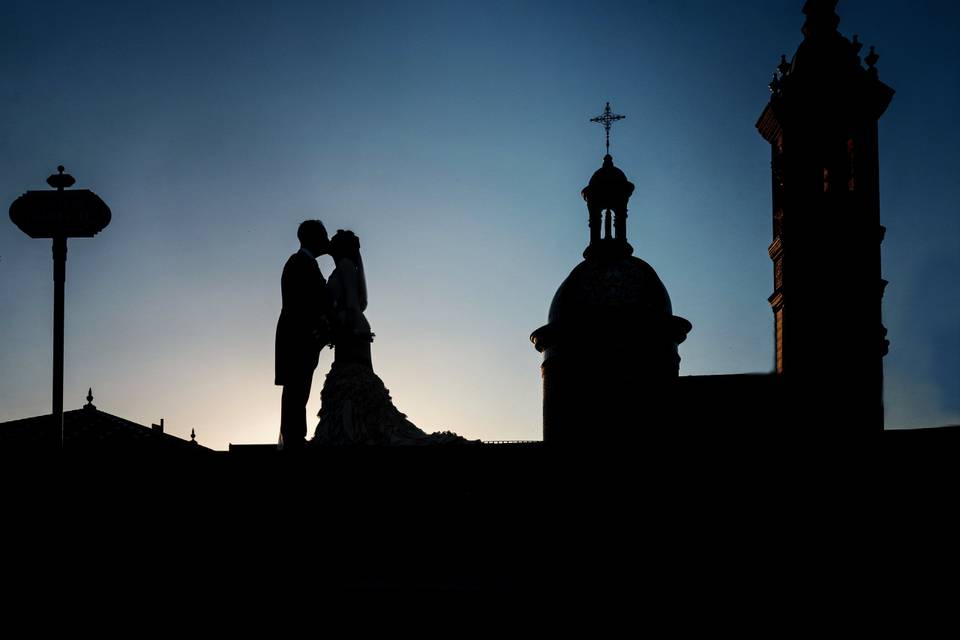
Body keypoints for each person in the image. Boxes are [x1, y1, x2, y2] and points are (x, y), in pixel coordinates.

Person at [312, 230, 472, 446]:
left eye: (333, 242)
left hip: (351, 327)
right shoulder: (349, 266)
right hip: (355, 325)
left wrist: (338, 324)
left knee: (349, 377)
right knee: (354, 375)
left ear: (339, 247)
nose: (329, 244)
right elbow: (358, 302)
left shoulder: (345, 266)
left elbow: (351, 303)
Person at [275, 220, 332, 450]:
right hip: (296, 338)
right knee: (295, 390)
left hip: (302, 337)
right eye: (324, 236)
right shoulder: (298, 263)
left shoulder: (306, 263)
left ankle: (295, 437)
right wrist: (320, 326)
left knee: (299, 390)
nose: (326, 241)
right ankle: (293, 440)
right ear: (314, 238)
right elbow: (302, 304)